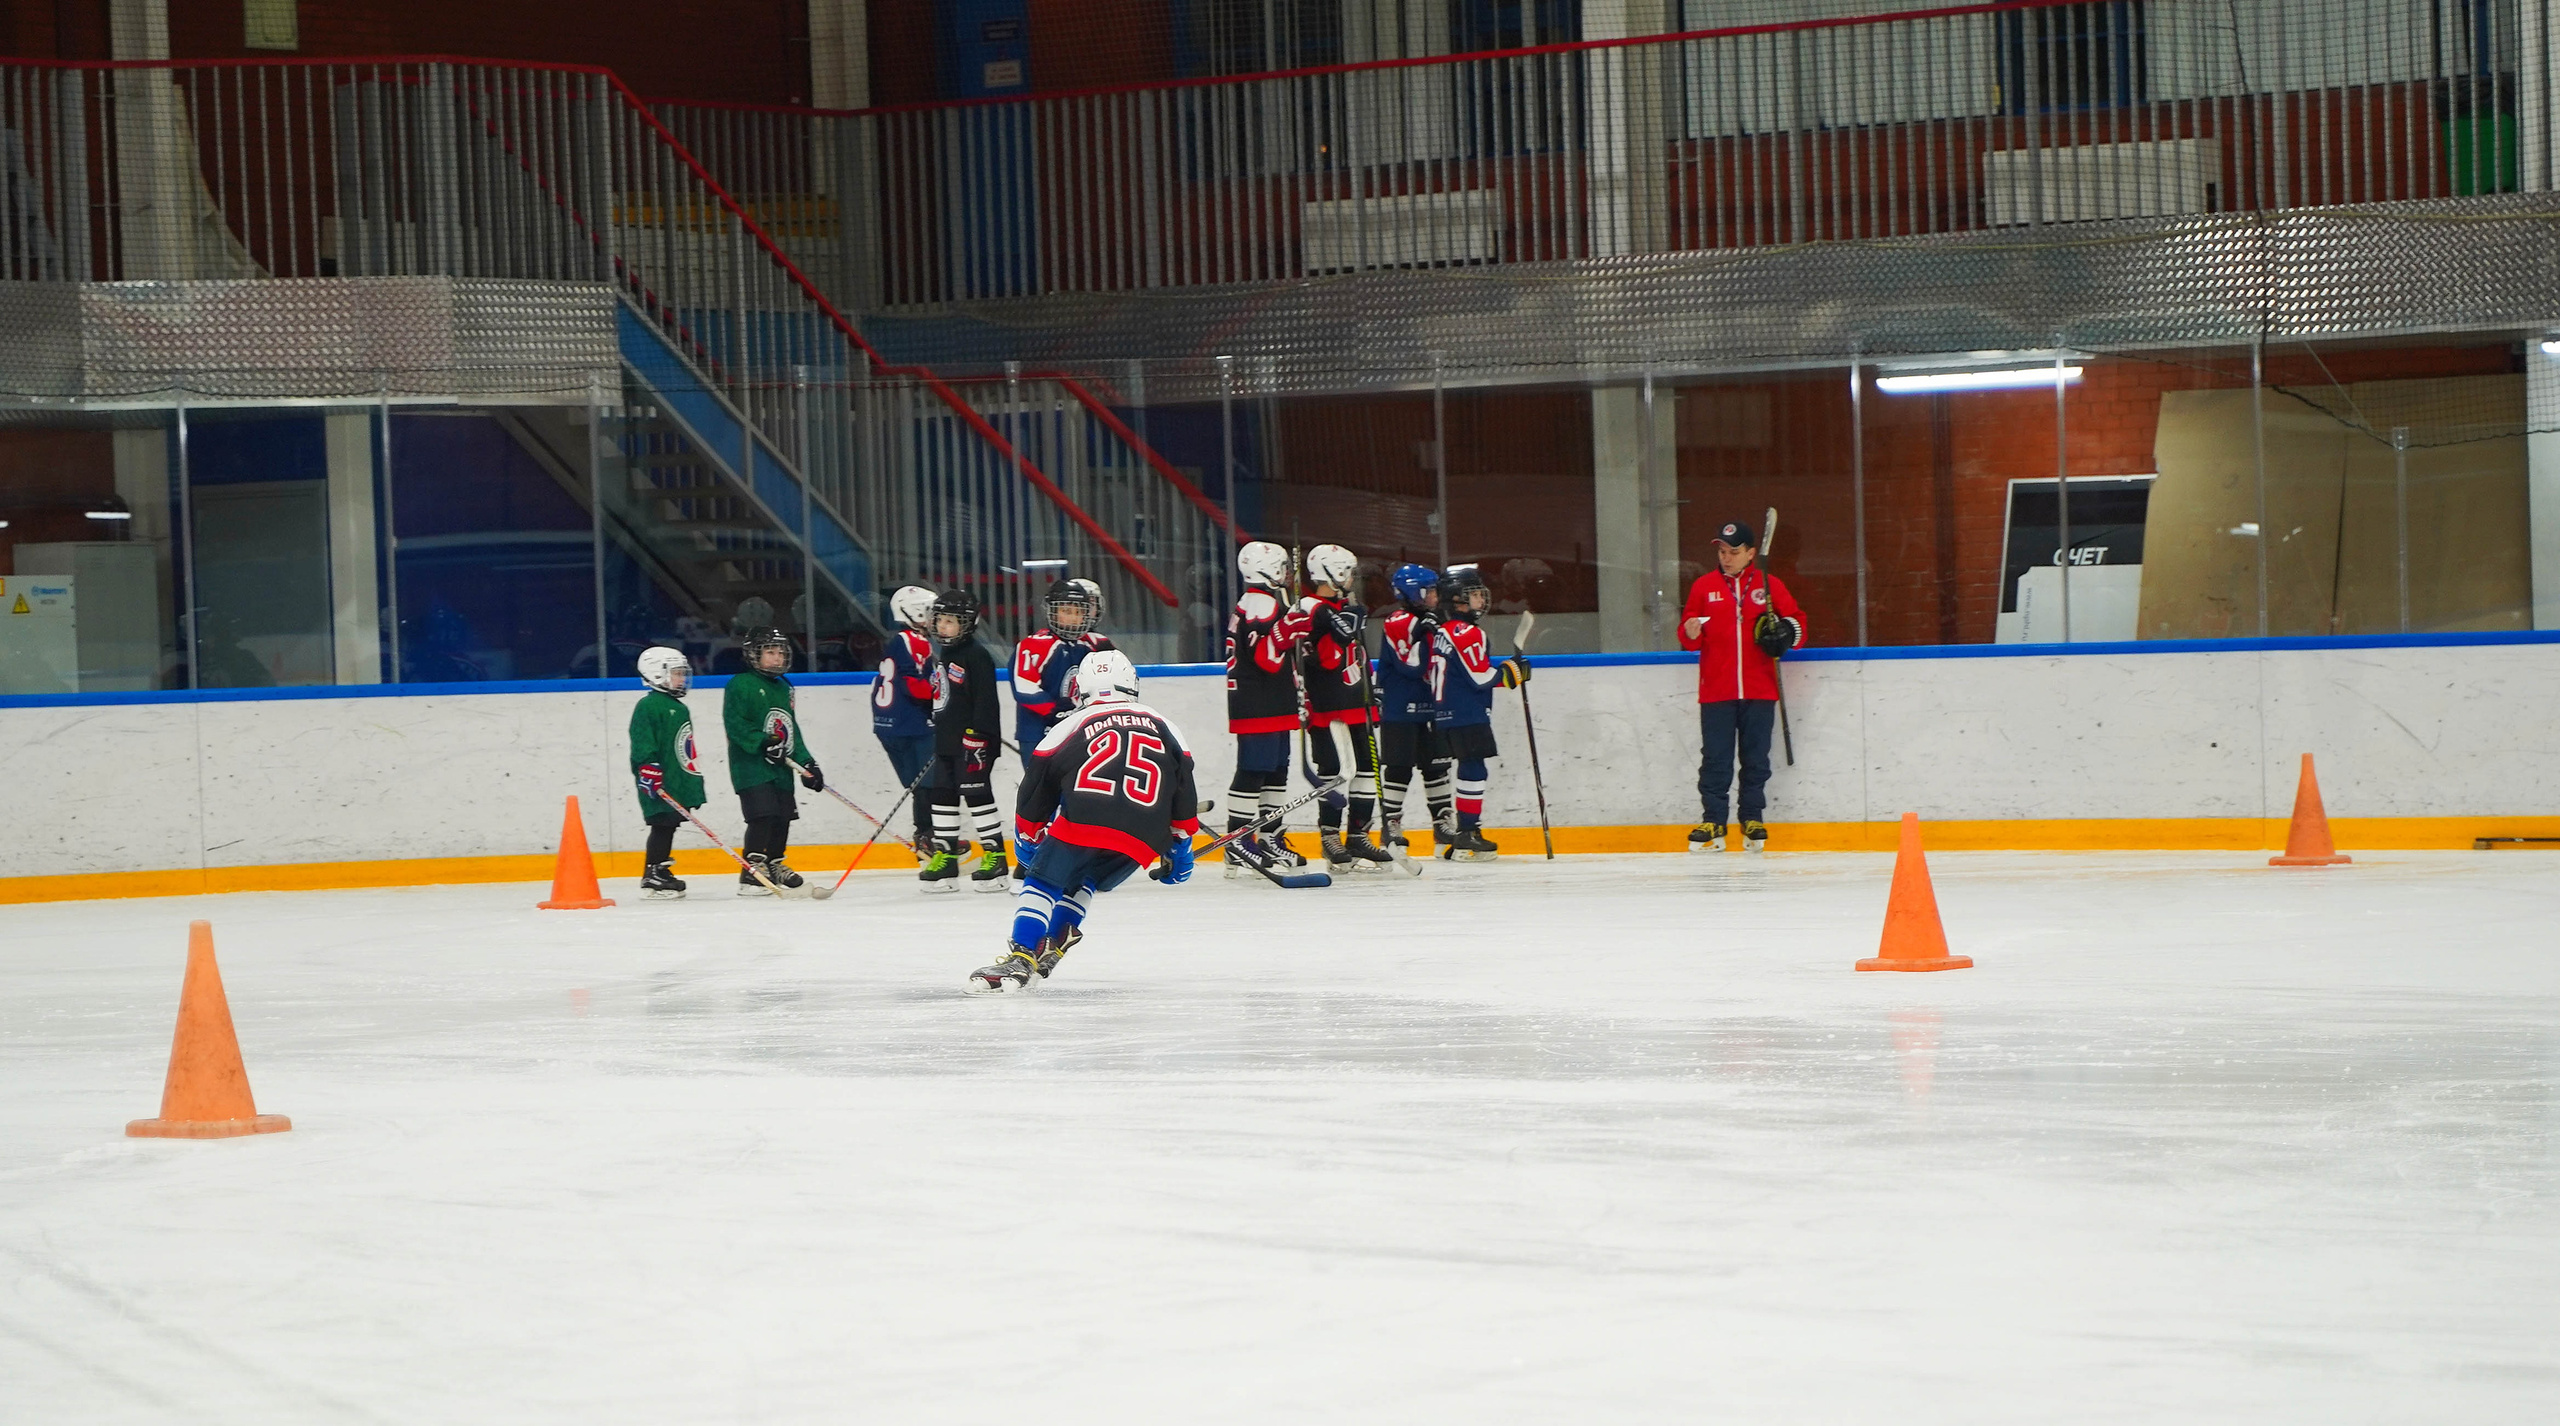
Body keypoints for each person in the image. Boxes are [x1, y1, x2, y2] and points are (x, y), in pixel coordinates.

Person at [970, 649, 1201, 992]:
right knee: (1086, 879)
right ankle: (1056, 941)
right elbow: (1183, 790)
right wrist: (1180, 845)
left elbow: (1036, 787)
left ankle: (1021, 956)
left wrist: (1028, 838)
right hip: (1144, 835)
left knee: (1043, 881)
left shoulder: (1068, 725)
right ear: (1132, 684)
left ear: (1080, 688)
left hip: (1085, 820)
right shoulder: (1164, 723)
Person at [1676, 519, 1806, 853]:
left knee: (1756, 758)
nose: (1726, 557)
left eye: (1733, 551)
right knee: (1715, 759)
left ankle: (1752, 818)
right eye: (1722, 551)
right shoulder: (1703, 587)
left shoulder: (1770, 585)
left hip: (1760, 689)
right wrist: (1690, 633)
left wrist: (1786, 634)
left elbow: (1799, 625)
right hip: (1717, 690)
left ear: (1750, 553)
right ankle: (1714, 820)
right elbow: (1689, 634)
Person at [1296, 544, 1392, 871]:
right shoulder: (1311, 609)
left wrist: (1371, 688)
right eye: (1348, 572)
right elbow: (1324, 659)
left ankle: (1358, 836)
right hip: (1328, 705)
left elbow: (1358, 655)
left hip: (1356, 703)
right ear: (1335, 573)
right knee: (1335, 771)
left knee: (1367, 769)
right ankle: (1329, 836)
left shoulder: (1343, 607)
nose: (1353, 578)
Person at [1427, 565, 1531, 860]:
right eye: (1473, 594)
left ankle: (1466, 831)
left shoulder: (1442, 632)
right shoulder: (1467, 632)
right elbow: (1481, 677)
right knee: (1474, 768)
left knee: (1469, 768)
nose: (1480, 600)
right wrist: (1512, 672)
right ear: (1458, 599)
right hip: (1466, 713)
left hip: (1446, 713)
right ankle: (1467, 833)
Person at [1223, 540, 1310, 876]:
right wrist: (1287, 630)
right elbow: (1266, 659)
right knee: (1254, 770)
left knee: (1274, 771)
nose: (1287, 573)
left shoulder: (1263, 603)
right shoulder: (1260, 605)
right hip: (1256, 700)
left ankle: (1270, 835)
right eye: (1282, 566)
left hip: (1270, 700)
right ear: (1268, 570)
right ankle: (1238, 841)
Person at [722, 627, 823, 894]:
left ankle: (774, 864)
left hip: (781, 769)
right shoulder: (740, 684)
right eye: (770, 652)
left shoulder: (784, 687)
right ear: (753, 654)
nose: (777, 658)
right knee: (763, 815)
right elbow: (736, 725)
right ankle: (752, 870)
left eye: (780, 652)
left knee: (782, 817)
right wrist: (763, 743)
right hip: (751, 767)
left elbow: (791, 730)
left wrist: (807, 763)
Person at [924, 588, 1011, 891]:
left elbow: (986, 701)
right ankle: (947, 859)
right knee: (942, 797)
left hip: (974, 744)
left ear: (968, 623)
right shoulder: (944, 654)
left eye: (951, 621)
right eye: (941, 620)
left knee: (977, 796)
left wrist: (979, 736)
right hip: (947, 743)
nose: (944, 627)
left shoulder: (977, 656)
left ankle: (995, 855)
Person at [1375, 562, 1454, 860]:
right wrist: (1424, 633)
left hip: (1432, 704)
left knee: (1437, 765)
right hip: (1400, 706)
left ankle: (1443, 824)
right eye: (1430, 590)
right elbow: (1411, 665)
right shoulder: (1397, 620)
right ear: (1412, 592)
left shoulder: (1434, 618)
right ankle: (1391, 824)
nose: (1435, 595)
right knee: (1398, 767)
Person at [1010, 577, 1115, 763]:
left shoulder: (1099, 644)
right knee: (1041, 791)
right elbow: (1025, 688)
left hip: (1080, 731)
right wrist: (1056, 711)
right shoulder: (1032, 646)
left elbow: (1115, 681)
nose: (1074, 617)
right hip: (1038, 733)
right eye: (1066, 611)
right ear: (1052, 611)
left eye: (1079, 611)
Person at [629, 646, 705, 898]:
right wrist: (647, 766)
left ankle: (660, 869)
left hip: (674, 779)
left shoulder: (678, 707)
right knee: (662, 823)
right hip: (657, 780)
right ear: (657, 674)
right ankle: (652, 874)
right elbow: (642, 740)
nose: (682, 679)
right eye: (677, 673)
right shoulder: (648, 706)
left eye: (684, 673)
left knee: (670, 823)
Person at [872, 585, 940, 853]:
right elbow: (916, 686)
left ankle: (927, 834)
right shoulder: (913, 641)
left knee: (921, 785)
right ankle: (928, 836)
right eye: (929, 612)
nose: (934, 618)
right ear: (913, 613)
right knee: (929, 783)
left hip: (889, 722)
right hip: (911, 723)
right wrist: (945, 699)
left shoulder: (901, 641)